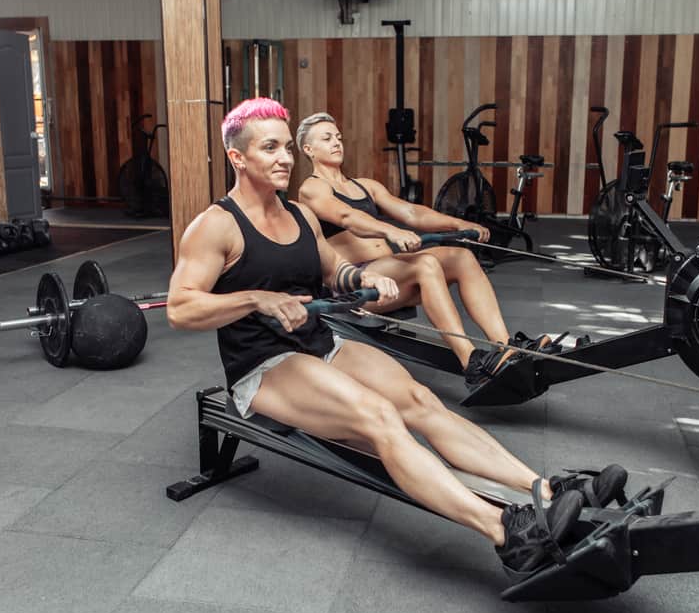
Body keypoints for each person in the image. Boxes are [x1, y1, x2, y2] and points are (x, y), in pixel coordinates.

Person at [166, 98, 628, 576]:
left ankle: (547, 490)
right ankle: (509, 533)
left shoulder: (299, 215)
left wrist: (363, 283)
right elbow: (181, 308)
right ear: (238, 157)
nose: (284, 158)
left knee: (421, 400)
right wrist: (253, 299)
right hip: (265, 365)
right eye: (269, 148)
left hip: (322, 342)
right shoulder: (216, 225)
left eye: (286, 148)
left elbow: (332, 270)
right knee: (380, 417)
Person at [294, 111, 558, 391]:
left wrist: (459, 223)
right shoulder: (312, 189)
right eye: (326, 138)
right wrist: (390, 231)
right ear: (308, 149)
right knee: (426, 264)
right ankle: (471, 362)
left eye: (338, 137)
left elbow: (412, 213)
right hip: (357, 287)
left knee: (461, 257)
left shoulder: (365, 186)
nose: (336, 142)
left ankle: (506, 346)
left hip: (393, 276)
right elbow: (346, 217)